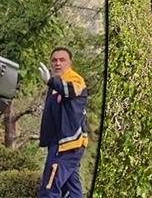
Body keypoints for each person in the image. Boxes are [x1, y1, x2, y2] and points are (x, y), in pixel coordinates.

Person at [37, 47, 88, 198]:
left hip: (68, 144)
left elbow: (68, 91)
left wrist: (50, 81)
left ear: (70, 63)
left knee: (49, 189)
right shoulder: (55, 84)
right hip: (58, 143)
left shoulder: (75, 79)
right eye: (54, 60)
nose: (57, 63)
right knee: (71, 189)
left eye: (62, 60)